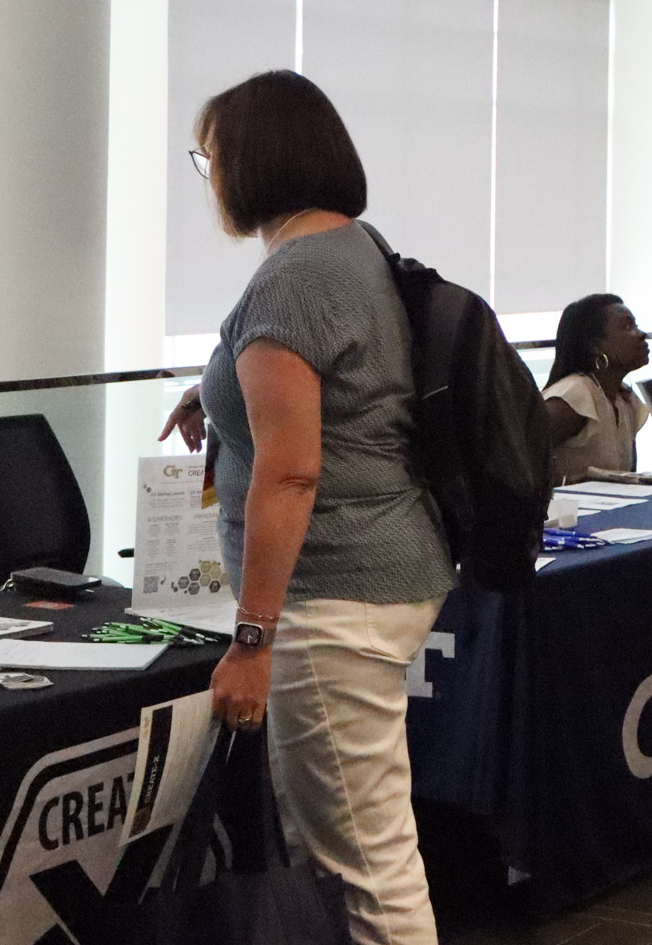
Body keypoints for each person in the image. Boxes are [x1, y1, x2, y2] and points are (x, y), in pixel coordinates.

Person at [159, 70, 450, 945]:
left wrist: (251, 639)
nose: (206, 173)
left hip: (331, 597)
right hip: (381, 570)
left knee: (367, 866)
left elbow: (292, 473)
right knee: (358, 850)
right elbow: (339, 396)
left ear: (249, 162)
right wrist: (217, 401)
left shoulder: (292, 281)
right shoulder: (356, 250)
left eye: (207, 156)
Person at [541, 294, 650, 484]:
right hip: (566, 511)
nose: (641, 334)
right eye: (626, 327)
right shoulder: (574, 395)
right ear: (595, 346)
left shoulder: (625, 399)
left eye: (636, 325)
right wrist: (567, 484)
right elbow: (518, 454)